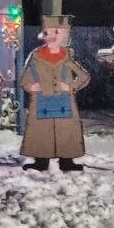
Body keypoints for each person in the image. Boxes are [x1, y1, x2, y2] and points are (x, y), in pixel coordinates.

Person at [20, 14, 90, 172]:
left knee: (65, 130)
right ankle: (40, 161)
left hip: (64, 100)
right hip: (41, 101)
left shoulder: (67, 57)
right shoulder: (36, 57)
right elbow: (24, 80)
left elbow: (84, 77)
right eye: (48, 32)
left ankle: (67, 161)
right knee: (41, 131)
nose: (52, 36)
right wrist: (31, 87)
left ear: (65, 35)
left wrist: (71, 86)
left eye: (57, 32)